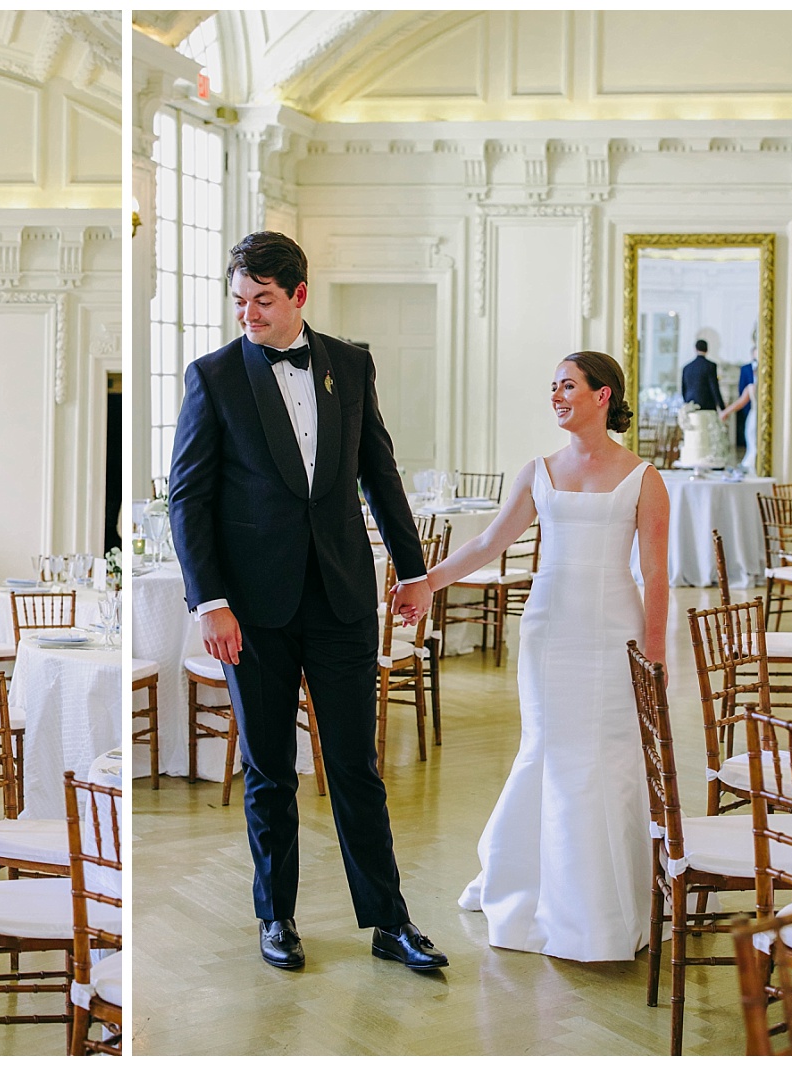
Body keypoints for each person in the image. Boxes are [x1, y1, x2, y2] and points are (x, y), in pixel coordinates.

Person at [168, 231, 447, 974]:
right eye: (238, 301)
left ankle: (390, 922)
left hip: (344, 597)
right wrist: (210, 602)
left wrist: (414, 570)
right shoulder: (214, 376)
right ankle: (277, 915)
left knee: (357, 764)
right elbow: (188, 501)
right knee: (267, 770)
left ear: (298, 295)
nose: (248, 314)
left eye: (262, 299)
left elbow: (379, 472)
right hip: (250, 609)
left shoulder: (350, 365)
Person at [423, 351, 670, 962]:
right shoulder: (538, 470)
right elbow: (487, 542)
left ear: (603, 395)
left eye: (568, 386)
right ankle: (533, 887)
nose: (556, 396)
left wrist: (656, 659)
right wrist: (428, 582)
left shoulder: (645, 478)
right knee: (548, 749)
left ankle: (602, 904)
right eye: (553, 386)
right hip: (549, 630)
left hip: (616, 633)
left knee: (606, 758)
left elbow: (658, 577)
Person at [720, 359, 757, 470]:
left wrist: (725, 412)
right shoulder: (754, 387)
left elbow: (741, 402)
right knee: (752, 443)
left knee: (753, 444)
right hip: (753, 416)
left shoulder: (752, 387)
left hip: (754, 417)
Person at [679, 338, 724, 411]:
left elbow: (683, 388)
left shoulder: (686, 368)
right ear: (707, 349)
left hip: (690, 405)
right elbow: (714, 388)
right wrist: (722, 407)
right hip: (706, 406)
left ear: (695, 349)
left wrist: (686, 402)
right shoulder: (710, 366)